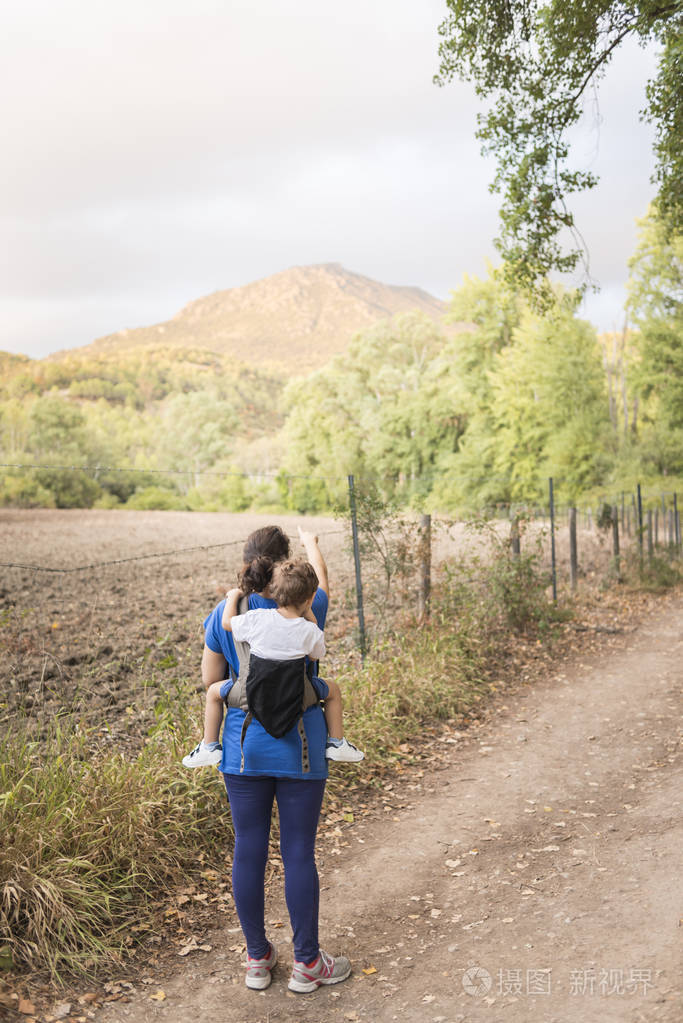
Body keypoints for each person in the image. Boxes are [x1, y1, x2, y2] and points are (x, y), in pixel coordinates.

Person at [195, 524, 352, 993]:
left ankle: (257, 960)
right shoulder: (308, 606)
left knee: (248, 848)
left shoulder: (226, 615)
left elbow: (210, 679)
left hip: (243, 749)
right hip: (300, 746)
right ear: (285, 567)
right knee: (298, 851)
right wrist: (314, 547)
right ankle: (307, 964)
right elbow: (323, 583)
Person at [182, 558, 364, 767]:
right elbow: (314, 657)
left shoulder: (258, 618)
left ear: (274, 594)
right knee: (333, 691)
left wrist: (232, 597)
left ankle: (209, 746)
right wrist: (309, 614)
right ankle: (337, 742)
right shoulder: (309, 630)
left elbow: (226, 623)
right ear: (310, 598)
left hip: (255, 691)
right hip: (293, 693)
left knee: (214, 692)